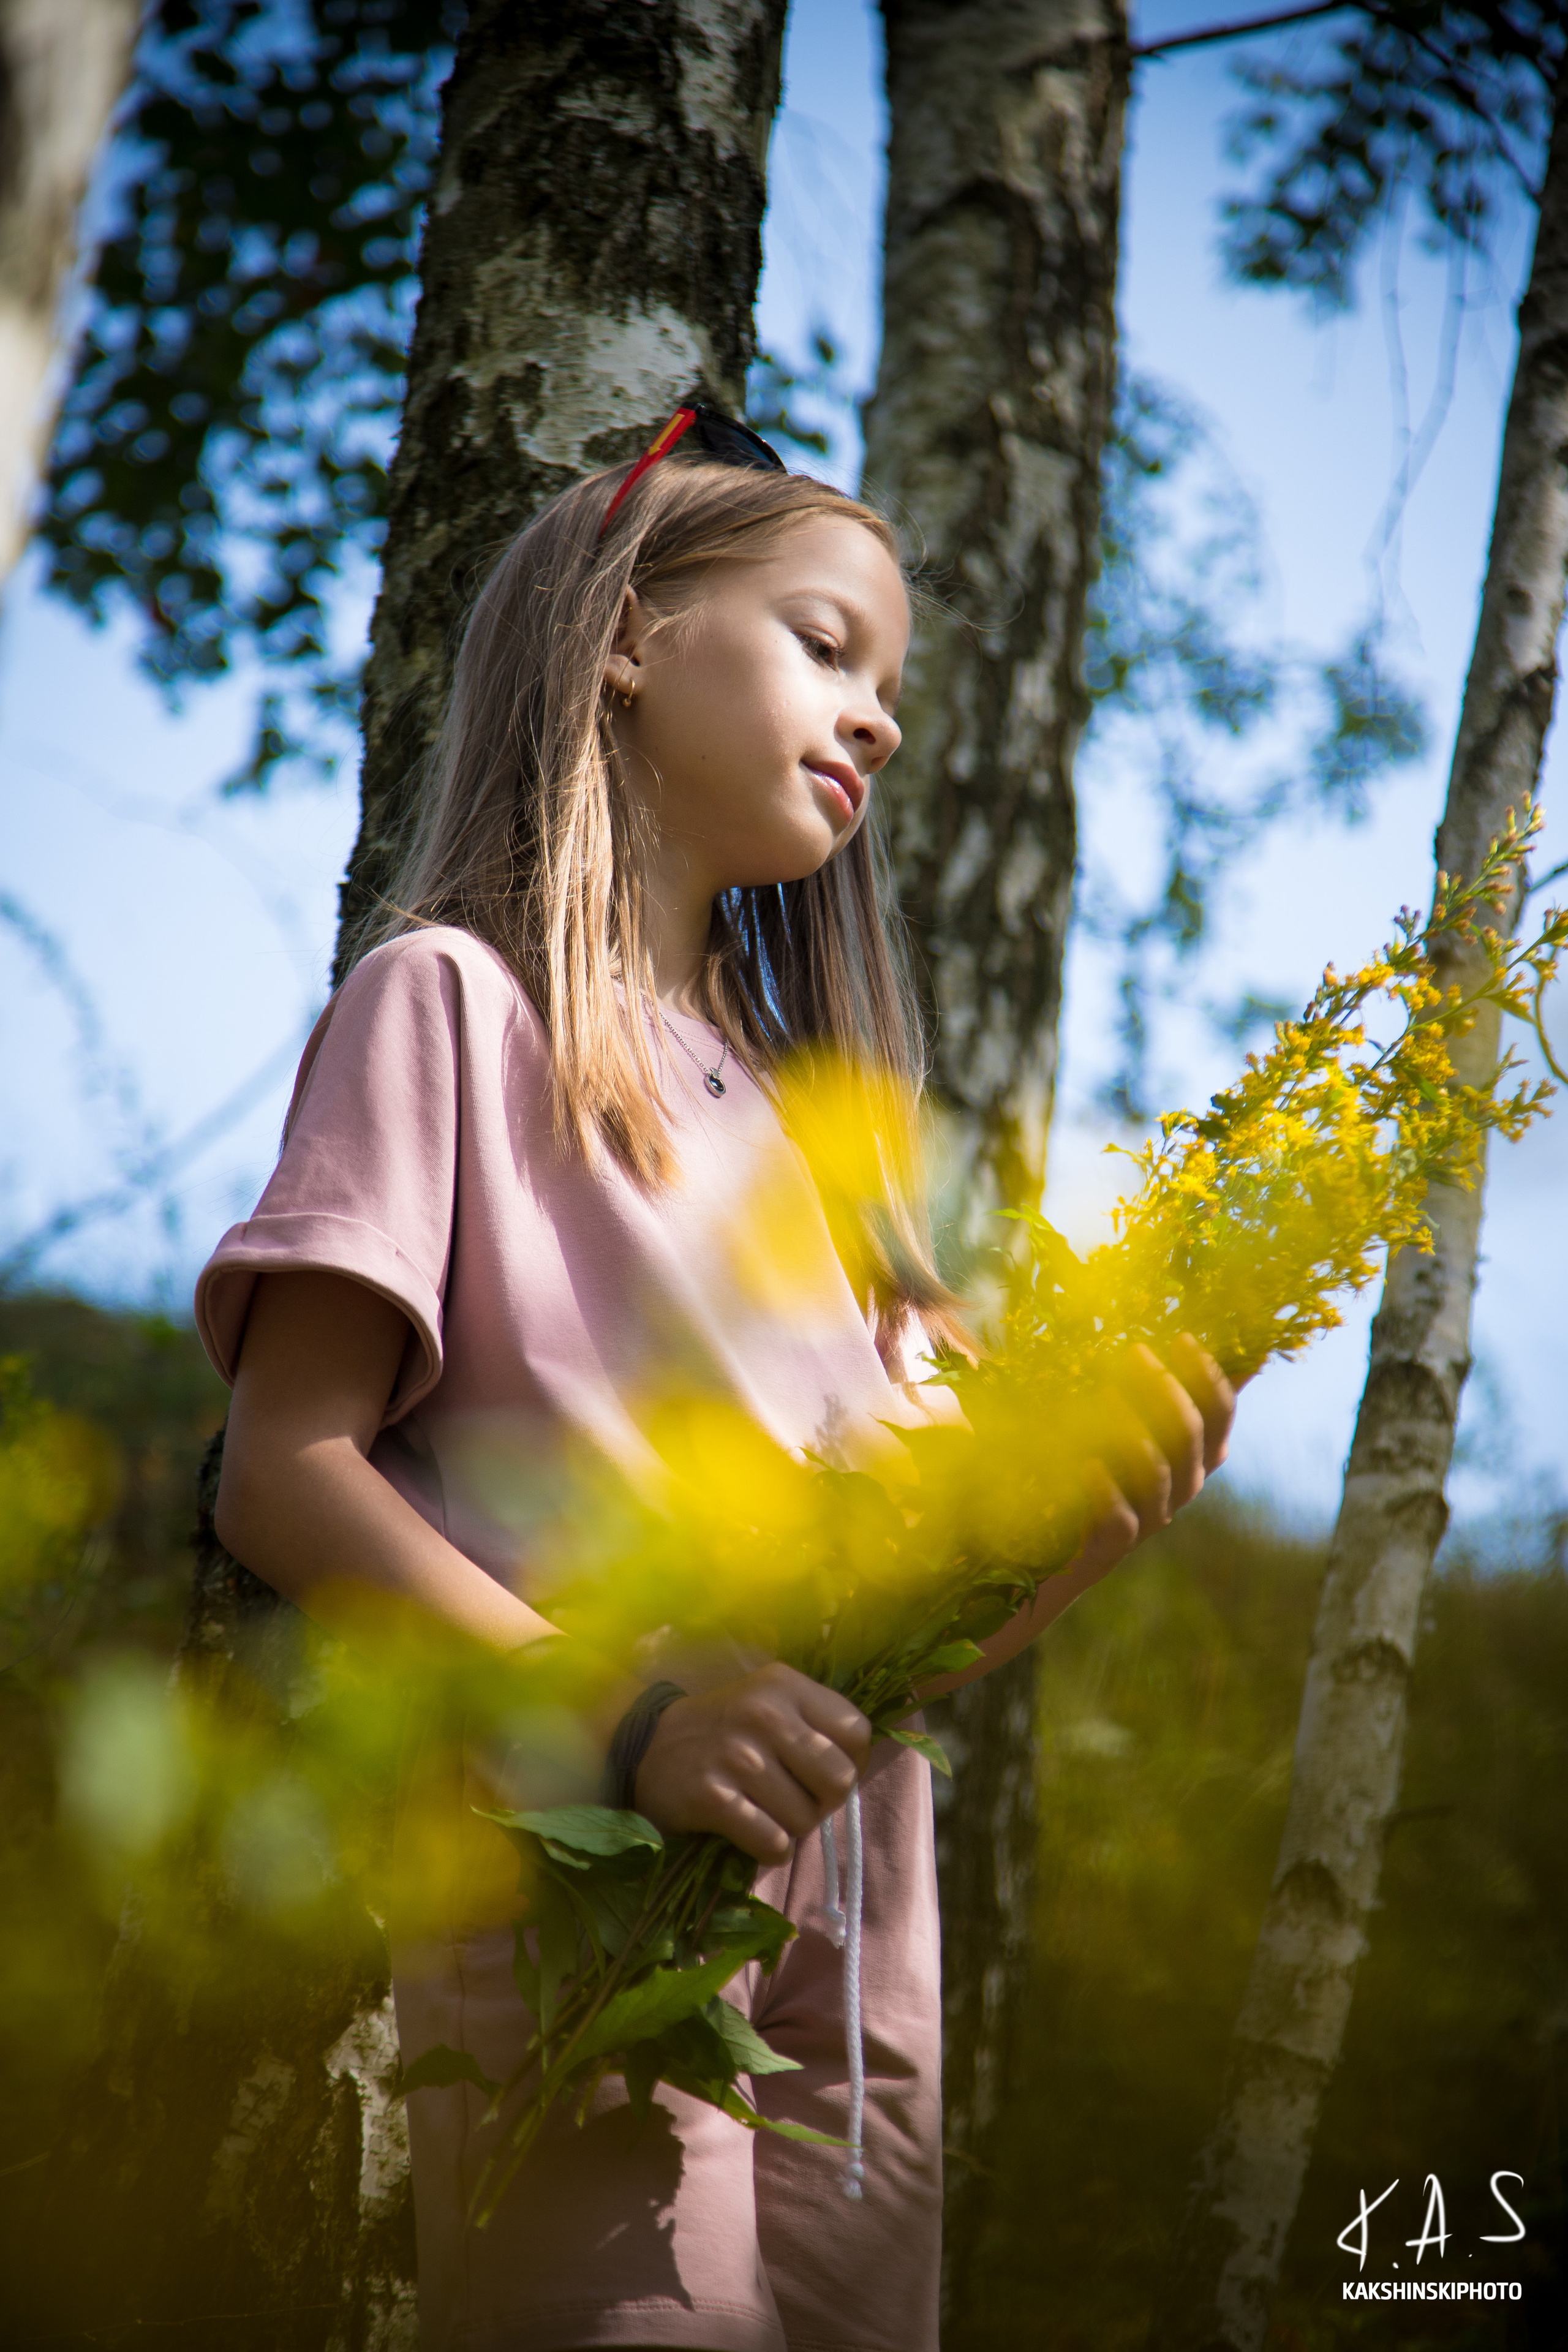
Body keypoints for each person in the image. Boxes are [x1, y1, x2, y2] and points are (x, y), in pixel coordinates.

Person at [196, 409, 1236, 2352]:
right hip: (583, 1901)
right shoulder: (452, 1006)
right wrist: (619, 1713)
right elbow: (285, 1469)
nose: (885, 718)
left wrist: (1080, 1529)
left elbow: (897, 1649)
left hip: (861, 1975)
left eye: (895, 685)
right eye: (828, 644)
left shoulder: (837, 1157)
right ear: (628, 636)